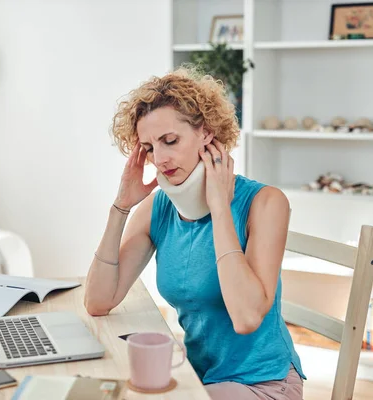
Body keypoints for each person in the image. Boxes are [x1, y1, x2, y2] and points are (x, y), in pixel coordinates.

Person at [83, 66, 305, 400]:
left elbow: (246, 318)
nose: (160, 159)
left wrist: (219, 209)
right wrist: (121, 206)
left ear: (205, 132)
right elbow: (99, 301)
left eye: (170, 141)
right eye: (150, 147)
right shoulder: (159, 208)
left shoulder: (266, 203)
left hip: (263, 384)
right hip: (198, 380)